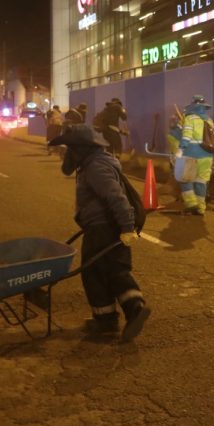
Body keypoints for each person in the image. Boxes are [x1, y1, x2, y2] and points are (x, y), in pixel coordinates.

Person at [48, 124, 150, 342]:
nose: (68, 152)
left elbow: (116, 197)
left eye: (71, 148)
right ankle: (133, 308)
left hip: (103, 228)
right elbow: (67, 168)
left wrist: (127, 227)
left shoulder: (96, 167)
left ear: (81, 149)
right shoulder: (94, 162)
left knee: (94, 273)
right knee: (115, 270)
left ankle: (106, 321)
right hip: (105, 226)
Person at [177, 95, 214, 215]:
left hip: (191, 154)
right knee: (201, 182)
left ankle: (191, 204)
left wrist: (181, 148)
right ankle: (201, 208)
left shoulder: (190, 119)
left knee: (185, 179)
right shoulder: (209, 120)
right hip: (207, 156)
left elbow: (187, 135)